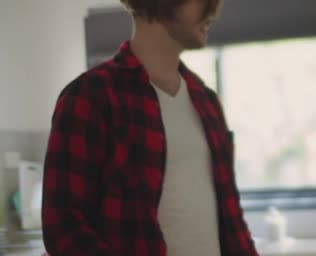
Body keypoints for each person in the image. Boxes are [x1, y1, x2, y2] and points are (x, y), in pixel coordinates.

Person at [41, 0, 258, 255]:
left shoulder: (206, 101)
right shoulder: (91, 97)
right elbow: (64, 228)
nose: (213, 10)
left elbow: (231, 219)